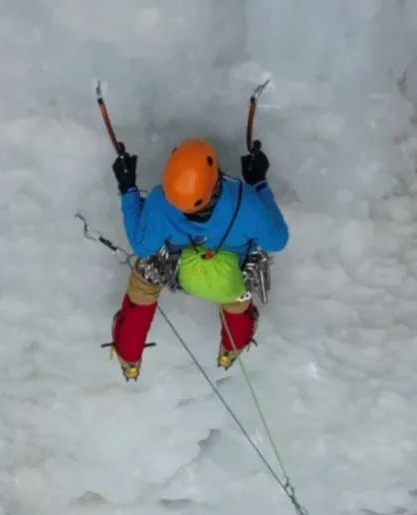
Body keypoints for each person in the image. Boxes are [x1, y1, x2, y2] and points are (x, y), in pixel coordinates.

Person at [106, 137, 289, 381]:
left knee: (144, 284)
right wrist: (259, 184)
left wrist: (128, 189)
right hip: (231, 272)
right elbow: (277, 240)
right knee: (237, 295)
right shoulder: (246, 202)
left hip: (175, 268)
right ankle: (230, 350)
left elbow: (142, 246)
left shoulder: (160, 202)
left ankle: (129, 359)